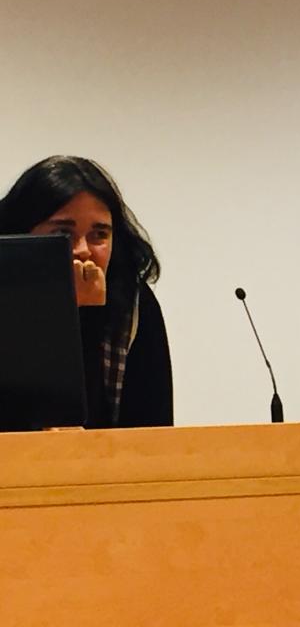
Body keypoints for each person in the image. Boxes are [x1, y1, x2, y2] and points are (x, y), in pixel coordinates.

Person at [0, 156, 173, 427]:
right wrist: (62, 315)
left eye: (99, 235)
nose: (83, 250)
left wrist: (88, 313)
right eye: (63, 233)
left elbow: (152, 427)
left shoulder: (136, 303)